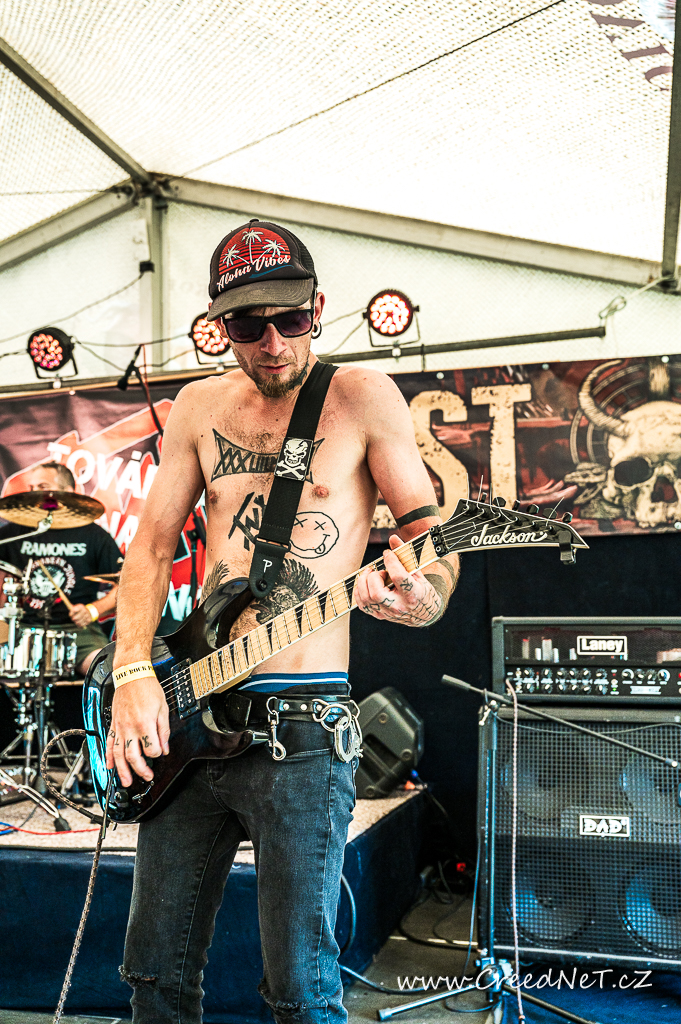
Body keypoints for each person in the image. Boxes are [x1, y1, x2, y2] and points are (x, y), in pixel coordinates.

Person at [107, 219, 460, 1023]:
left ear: (318, 309)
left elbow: (427, 537)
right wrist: (131, 671)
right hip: (189, 719)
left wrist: (424, 596)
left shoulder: (361, 396)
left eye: (290, 319)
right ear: (218, 326)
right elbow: (151, 547)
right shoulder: (196, 407)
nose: (271, 343)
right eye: (246, 325)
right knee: (153, 975)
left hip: (301, 731)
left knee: (300, 990)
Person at [0, 461, 121, 674]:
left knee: (107, 672)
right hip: (21, 628)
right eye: (32, 488)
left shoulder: (94, 535)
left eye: (43, 487)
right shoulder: (15, 533)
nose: (35, 493)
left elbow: (126, 585)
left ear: (68, 492)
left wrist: (92, 610)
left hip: (78, 631)